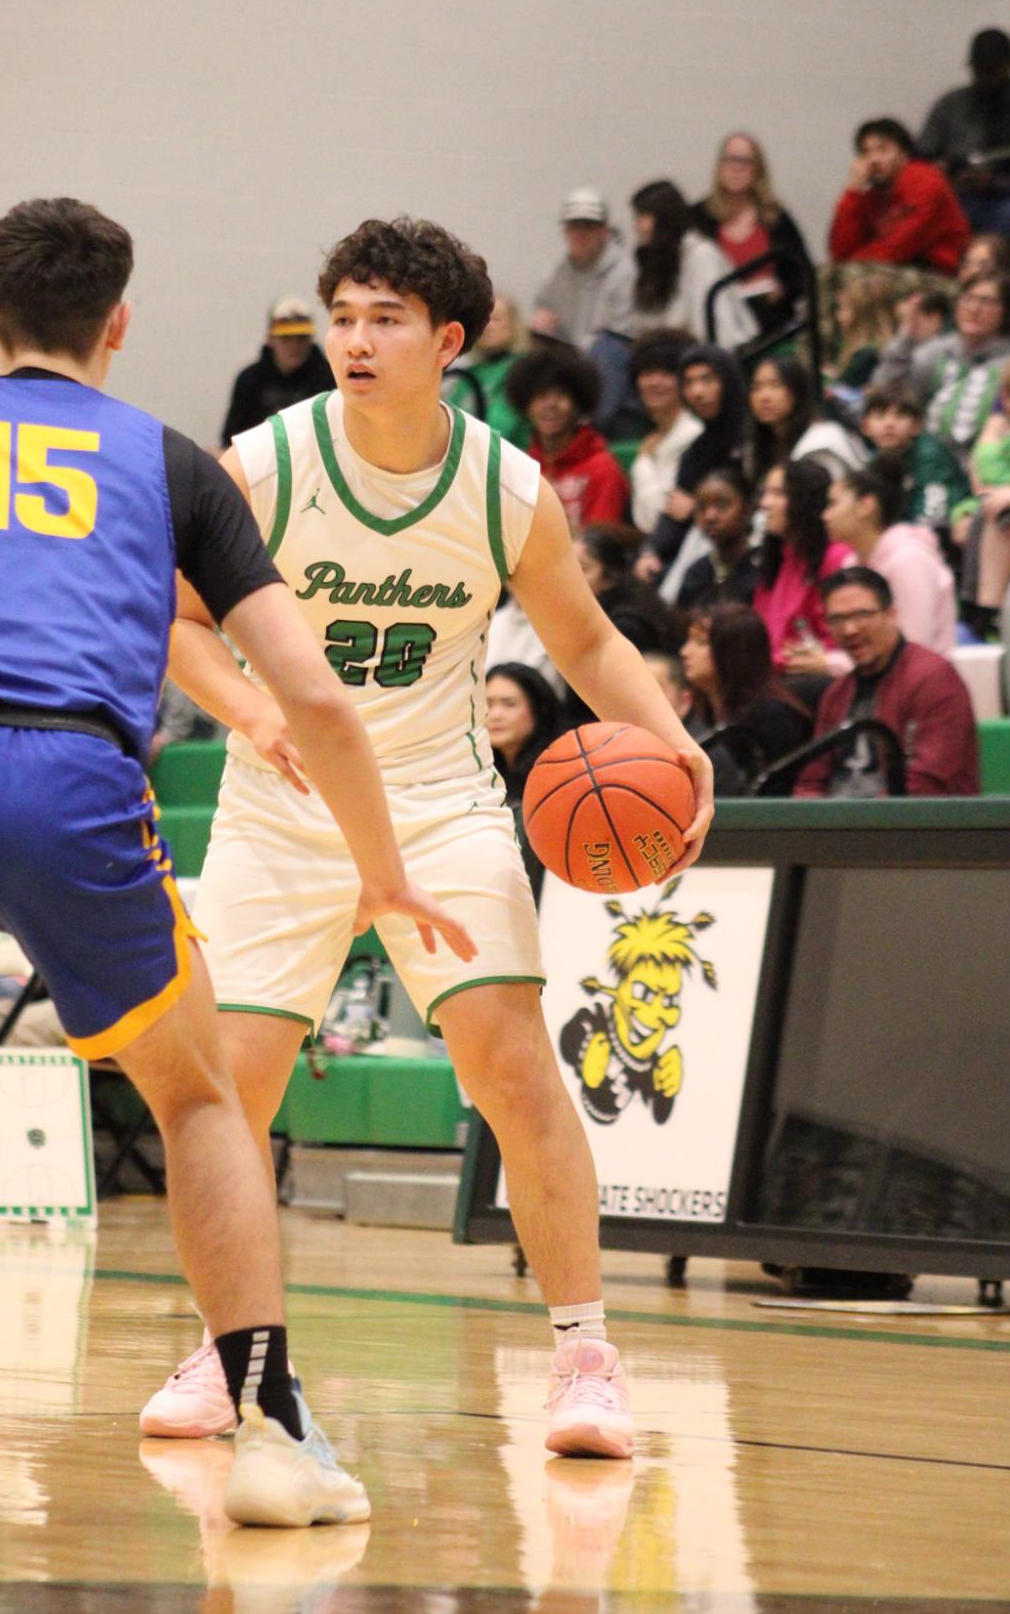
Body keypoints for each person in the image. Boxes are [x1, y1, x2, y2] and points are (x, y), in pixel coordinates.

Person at [0, 197, 477, 1529]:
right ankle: (270, 1424)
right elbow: (321, 702)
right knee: (201, 1098)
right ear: (118, 324)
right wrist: (384, 874)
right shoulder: (174, 466)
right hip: (77, 782)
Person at [147, 214, 715, 1462]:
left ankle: (584, 1357)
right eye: (341, 315)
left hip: (439, 799)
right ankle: (223, 1346)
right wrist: (250, 708)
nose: (352, 339)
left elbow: (582, 643)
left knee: (512, 1065)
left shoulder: (508, 487)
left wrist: (675, 746)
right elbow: (173, 622)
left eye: (383, 319)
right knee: (226, 1093)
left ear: (448, 341)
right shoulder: (263, 463)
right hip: (278, 806)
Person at [793, 569, 978, 797]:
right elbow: (811, 780)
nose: (850, 630)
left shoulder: (934, 679)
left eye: (862, 615)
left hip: (912, 826)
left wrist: (856, 825)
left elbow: (926, 784)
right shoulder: (837, 694)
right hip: (839, 824)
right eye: (837, 620)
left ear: (891, 614)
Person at [635, 344, 749, 581]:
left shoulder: (754, 436)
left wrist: (697, 508)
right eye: (688, 383)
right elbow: (674, 509)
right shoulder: (698, 449)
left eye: (707, 380)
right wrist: (650, 551)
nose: (697, 392)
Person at [823, 462, 957, 655]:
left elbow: (915, 649)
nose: (825, 516)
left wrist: (829, 664)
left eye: (833, 503)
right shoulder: (851, 563)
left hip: (920, 682)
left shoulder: (909, 561)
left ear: (865, 506)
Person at [680, 604, 811, 792]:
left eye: (701, 643)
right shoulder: (703, 711)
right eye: (688, 641)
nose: (684, 652)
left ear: (733, 651)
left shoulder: (774, 718)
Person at [689, 132, 812, 329]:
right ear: (719, 167)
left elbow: (802, 273)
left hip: (769, 322)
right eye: (730, 160)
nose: (736, 168)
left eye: (745, 161)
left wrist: (783, 290)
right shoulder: (698, 216)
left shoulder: (776, 217)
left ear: (758, 170)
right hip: (716, 322)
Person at [505, 347, 629, 533]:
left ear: (578, 404)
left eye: (561, 396)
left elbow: (600, 546)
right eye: (541, 396)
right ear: (526, 404)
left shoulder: (602, 468)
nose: (550, 405)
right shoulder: (521, 467)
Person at [828, 118, 969, 275]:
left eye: (883, 150)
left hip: (936, 273)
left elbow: (901, 245)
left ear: (904, 154)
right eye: (866, 152)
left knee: (852, 280)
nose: (873, 160)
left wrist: (851, 267)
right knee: (824, 277)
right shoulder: (870, 197)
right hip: (890, 270)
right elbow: (840, 253)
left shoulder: (925, 180)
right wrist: (852, 192)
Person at [753, 460, 855, 674]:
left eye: (779, 494)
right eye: (766, 493)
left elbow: (834, 642)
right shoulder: (776, 560)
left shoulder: (836, 558)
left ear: (805, 501)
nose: (765, 503)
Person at [626, 182, 756, 349]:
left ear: (663, 217)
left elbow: (714, 326)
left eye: (641, 217)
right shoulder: (655, 260)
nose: (636, 227)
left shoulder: (701, 255)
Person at [917, 28, 1010, 243]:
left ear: (1008, 67)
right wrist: (943, 172)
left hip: (1006, 201)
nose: (986, 77)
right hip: (953, 195)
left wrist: (993, 182)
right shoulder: (951, 105)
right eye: (980, 69)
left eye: (993, 69)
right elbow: (922, 156)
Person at [484, 662, 567, 897]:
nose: (496, 715)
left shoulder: (560, 772)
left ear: (539, 709)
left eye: (509, 704)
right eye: (488, 704)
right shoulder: (479, 776)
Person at [953, 354, 1010, 634]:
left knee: (1003, 515)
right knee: (972, 518)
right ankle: (978, 613)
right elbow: (981, 477)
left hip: (1007, 505)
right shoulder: (1000, 424)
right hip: (992, 498)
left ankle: (986, 613)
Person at [923, 272, 1010, 460]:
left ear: (1006, 311)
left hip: (995, 460)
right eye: (967, 299)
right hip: (932, 459)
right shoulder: (932, 352)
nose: (974, 309)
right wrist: (906, 340)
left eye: (986, 302)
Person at [858, 385, 971, 536]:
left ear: (916, 426)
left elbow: (933, 521)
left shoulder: (931, 457)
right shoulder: (876, 460)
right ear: (866, 427)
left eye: (899, 416)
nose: (889, 424)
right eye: (880, 416)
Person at [219, 300, 335, 447]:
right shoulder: (250, 380)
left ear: (311, 338)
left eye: (301, 337)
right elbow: (231, 440)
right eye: (286, 338)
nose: (294, 346)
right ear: (270, 339)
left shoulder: (329, 377)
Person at [531, 189, 634, 346]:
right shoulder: (554, 276)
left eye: (588, 226)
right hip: (567, 359)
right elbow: (543, 316)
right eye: (574, 226)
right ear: (565, 230)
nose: (580, 234)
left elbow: (619, 333)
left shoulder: (625, 273)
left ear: (604, 231)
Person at [745, 357, 867, 485]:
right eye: (756, 388)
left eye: (776, 385)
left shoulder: (821, 442)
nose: (764, 397)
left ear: (797, 391)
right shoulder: (756, 451)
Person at [627, 332, 701, 536]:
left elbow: (655, 517)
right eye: (648, 373)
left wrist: (643, 461)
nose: (655, 382)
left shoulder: (693, 434)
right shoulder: (654, 439)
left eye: (667, 373)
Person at [573, 525, 683, 654]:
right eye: (568, 566)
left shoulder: (626, 625)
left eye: (582, 569)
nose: (569, 576)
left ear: (610, 577)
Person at [443, 292, 529, 447]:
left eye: (496, 319)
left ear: (513, 325)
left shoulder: (522, 371)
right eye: (484, 320)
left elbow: (501, 427)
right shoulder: (467, 375)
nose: (488, 326)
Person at [675, 468, 761, 613]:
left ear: (748, 509)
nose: (710, 516)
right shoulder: (696, 574)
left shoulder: (762, 569)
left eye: (722, 505)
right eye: (701, 507)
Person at [868, 284, 952, 399]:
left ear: (935, 319)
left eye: (910, 320)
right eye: (902, 321)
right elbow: (877, 385)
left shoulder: (942, 355)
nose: (904, 329)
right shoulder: (903, 346)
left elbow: (889, 389)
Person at [828, 271, 898, 401]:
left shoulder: (867, 355)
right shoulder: (885, 347)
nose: (838, 316)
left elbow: (841, 393)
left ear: (862, 314)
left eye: (844, 308)